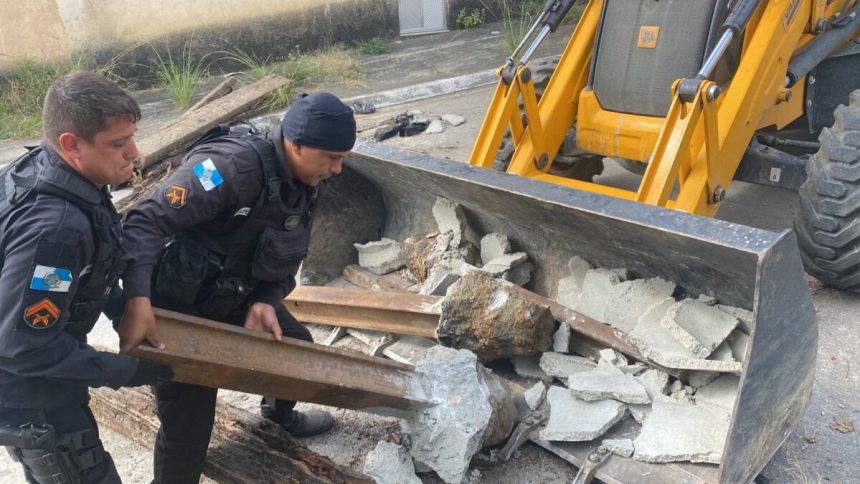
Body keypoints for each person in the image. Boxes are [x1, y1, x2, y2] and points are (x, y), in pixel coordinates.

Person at [121, 91, 357, 483]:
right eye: (331, 158)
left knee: (298, 353)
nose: (337, 169)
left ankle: (278, 415)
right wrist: (137, 301)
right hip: (179, 305)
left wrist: (266, 299)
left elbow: (291, 249)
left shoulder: (305, 181)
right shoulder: (226, 168)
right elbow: (144, 222)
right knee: (188, 431)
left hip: (237, 293)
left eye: (342, 158)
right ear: (295, 144)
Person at [0, 72, 174, 484]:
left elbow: (76, 276)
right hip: (30, 393)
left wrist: (123, 305)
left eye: (132, 137)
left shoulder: (45, 171)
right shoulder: (57, 229)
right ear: (71, 144)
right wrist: (122, 372)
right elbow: (22, 347)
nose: (134, 152)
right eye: (118, 143)